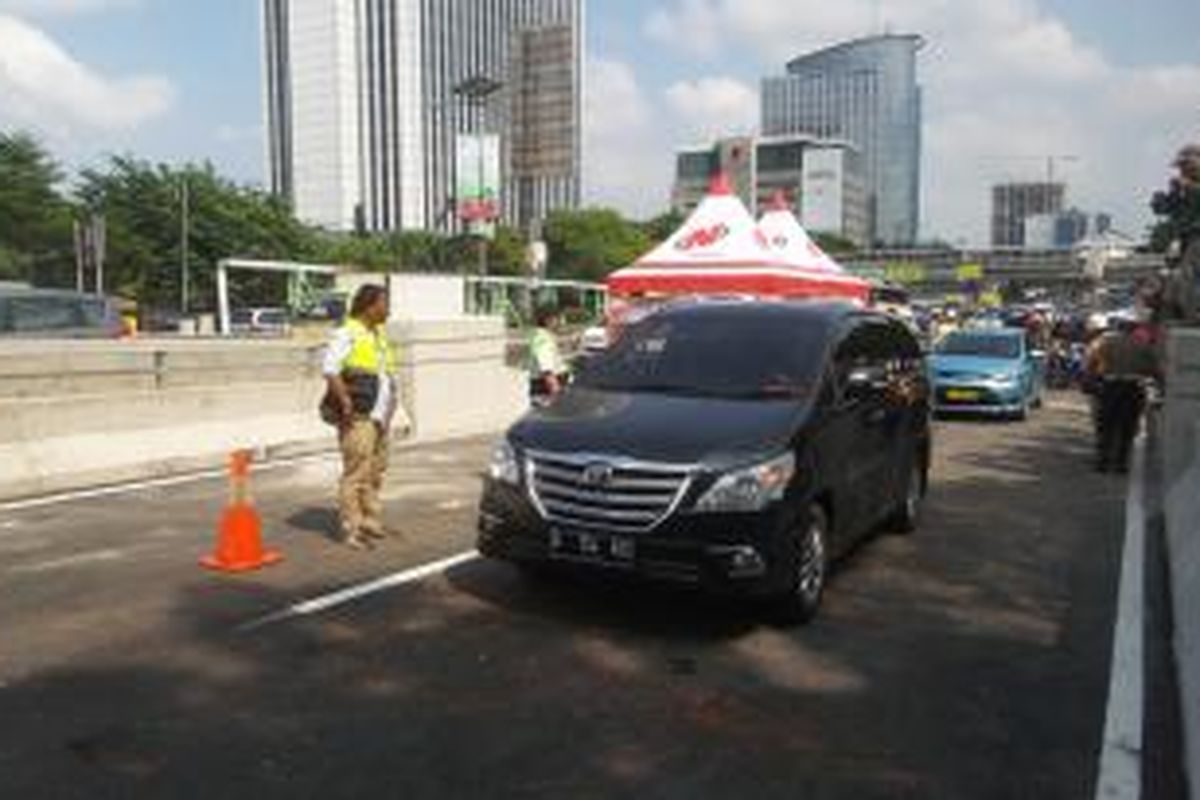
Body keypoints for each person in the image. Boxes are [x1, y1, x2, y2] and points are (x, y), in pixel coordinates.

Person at [322, 284, 405, 549]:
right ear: (370, 306)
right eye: (384, 304)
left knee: (376, 469)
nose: (388, 310)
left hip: (380, 416)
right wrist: (346, 403)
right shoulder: (347, 332)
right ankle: (352, 527)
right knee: (356, 472)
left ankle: (370, 518)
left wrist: (391, 407)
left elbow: (386, 373)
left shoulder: (377, 334)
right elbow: (330, 370)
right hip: (359, 415)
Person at [1085, 318, 1160, 474]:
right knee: (1128, 427)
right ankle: (1121, 463)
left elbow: (1092, 364)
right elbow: (1153, 369)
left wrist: (1092, 380)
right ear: (1133, 330)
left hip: (1111, 387)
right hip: (1133, 388)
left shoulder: (1107, 344)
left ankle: (1102, 462)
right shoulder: (1142, 346)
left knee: (1106, 426)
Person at [529, 307, 568, 403]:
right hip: (547, 391)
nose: (561, 322)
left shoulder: (543, 336)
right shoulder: (543, 340)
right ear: (548, 320)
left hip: (546, 388)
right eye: (558, 319)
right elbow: (547, 370)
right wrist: (556, 392)